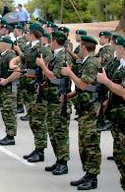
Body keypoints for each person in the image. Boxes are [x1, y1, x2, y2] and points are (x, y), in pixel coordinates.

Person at [61, 35, 101, 190]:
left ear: (84, 47)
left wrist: (70, 73)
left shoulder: (91, 63)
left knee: (91, 144)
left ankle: (93, 177)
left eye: (80, 47)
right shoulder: (87, 62)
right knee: (84, 144)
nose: (79, 50)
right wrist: (70, 95)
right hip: (84, 107)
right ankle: (87, 174)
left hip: (91, 109)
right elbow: (86, 87)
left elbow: (84, 85)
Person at [35, 31, 72, 173]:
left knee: (60, 132)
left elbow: (55, 77)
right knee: (52, 131)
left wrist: (42, 65)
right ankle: (58, 160)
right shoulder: (55, 55)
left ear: (55, 41)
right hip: (51, 100)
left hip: (59, 101)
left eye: (51, 41)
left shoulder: (63, 56)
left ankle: (63, 162)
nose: (50, 43)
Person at [97, 36, 125, 191]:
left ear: (121, 48)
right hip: (118, 119)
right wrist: (109, 100)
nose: (115, 50)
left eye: (117, 48)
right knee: (120, 158)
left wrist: (106, 81)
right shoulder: (121, 65)